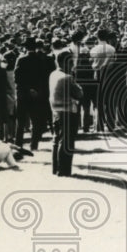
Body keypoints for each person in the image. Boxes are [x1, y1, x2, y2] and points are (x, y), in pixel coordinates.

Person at [49, 49, 82, 177]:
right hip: (67, 111)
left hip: (56, 110)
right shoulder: (67, 77)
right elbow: (79, 94)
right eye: (71, 62)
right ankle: (64, 170)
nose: (73, 65)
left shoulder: (53, 74)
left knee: (56, 140)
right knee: (67, 141)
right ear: (64, 62)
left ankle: (56, 169)